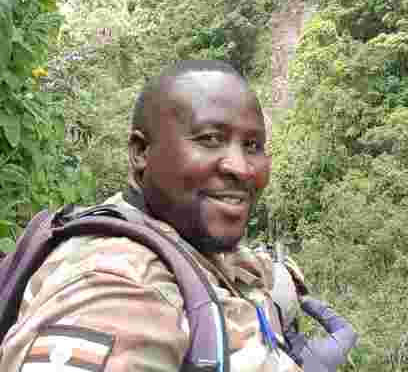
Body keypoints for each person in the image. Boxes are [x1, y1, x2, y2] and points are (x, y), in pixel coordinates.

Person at [0, 60, 357, 371]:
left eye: (252, 145)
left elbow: (248, 266)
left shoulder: (185, 237)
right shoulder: (117, 285)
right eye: (210, 139)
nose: (242, 168)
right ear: (141, 152)